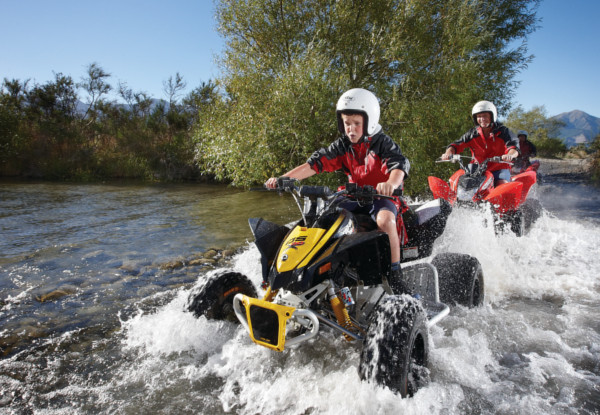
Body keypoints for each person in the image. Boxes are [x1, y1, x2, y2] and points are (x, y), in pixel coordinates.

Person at [265, 88, 410, 281]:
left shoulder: (383, 143)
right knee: (324, 217)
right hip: (352, 196)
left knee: (385, 221)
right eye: (346, 123)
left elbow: (399, 165)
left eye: (356, 123)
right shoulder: (343, 145)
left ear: (370, 121)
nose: (351, 129)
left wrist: (390, 183)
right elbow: (315, 164)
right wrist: (284, 179)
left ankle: (395, 273)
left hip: (382, 197)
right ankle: (319, 269)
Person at [440, 100, 519, 185]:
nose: (482, 119)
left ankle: (504, 198)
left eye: (485, 116)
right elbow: (455, 145)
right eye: (479, 116)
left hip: (499, 169)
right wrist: (448, 153)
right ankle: (451, 198)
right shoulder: (472, 134)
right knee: (455, 182)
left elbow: (514, 148)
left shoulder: (504, 132)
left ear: (492, 116)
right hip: (476, 170)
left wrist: (509, 155)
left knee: (502, 184)